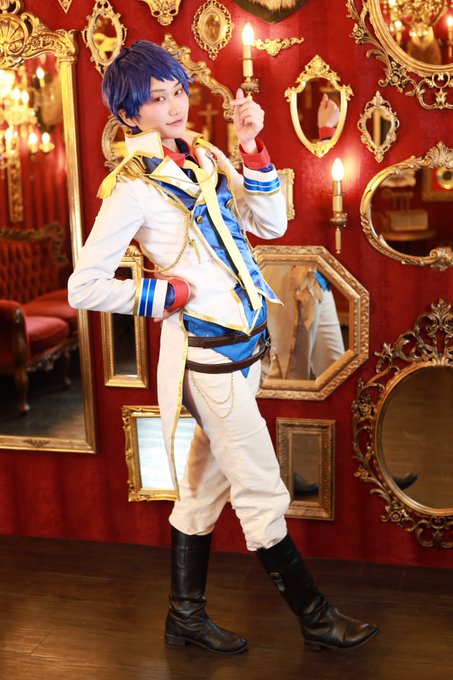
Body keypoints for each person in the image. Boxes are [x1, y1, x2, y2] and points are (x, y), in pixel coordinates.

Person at [68, 41, 379, 655]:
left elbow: (270, 225)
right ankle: (316, 619)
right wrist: (167, 293)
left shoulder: (205, 157)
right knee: (261, 488)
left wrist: (252, 145)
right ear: (128, 114)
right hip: (207, 359)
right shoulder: (130, 188)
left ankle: (184, 616)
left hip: (246, 352)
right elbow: (85, 286)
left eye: (177, 91)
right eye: (156, 99)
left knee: (204, 487)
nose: (174, 106)